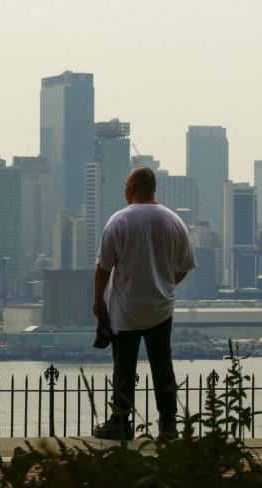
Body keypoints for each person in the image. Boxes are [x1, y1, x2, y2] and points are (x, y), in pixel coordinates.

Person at [92, 166, 196, 441]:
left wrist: (98, 299)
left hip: (125, 310)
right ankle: (169, 426)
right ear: (153, 188)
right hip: (161, 309)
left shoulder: (119, 221)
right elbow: (185, 265)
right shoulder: (174, 221)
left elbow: (103, 267)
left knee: (124, 369)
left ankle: (121, 423)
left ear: (132, 188)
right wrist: (166, 282)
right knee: (163, 367)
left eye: (126, 185)